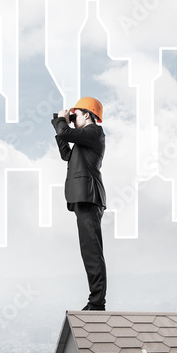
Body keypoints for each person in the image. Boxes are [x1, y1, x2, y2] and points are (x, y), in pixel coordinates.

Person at [52, 97, 107, 311]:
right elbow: (66, 154)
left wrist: (61, 121)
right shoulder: (83, 140)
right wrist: (59, 123)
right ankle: (96, 300)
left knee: (92, 251)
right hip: (83, 198)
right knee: (88, 250)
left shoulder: (94, 132)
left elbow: (66, 133)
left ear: (87, 114)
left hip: (89, 197)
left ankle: (97, 302)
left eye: (76, 116)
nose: (73, 120)